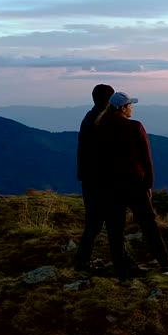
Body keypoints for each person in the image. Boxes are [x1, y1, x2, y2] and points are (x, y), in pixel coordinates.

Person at [95, 91, 168, 279]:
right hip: (134, 183)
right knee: (148, 224)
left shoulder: (101, 127)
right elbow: (146, 159)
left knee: (115, 228)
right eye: (130, 105)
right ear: (123, 108)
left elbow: (99, 159)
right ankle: (166, 264)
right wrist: (148, 184)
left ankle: (120, 270)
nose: (132, 107)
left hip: (110, 185)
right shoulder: (135, 127)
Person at [73, 83, 115, 272]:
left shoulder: (89, 117)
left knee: (95, 222)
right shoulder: (102, 121)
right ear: (110, 100)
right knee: (109, 222)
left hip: (89, 178)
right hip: (100, 179)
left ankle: (82, 261)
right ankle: (84, 262)